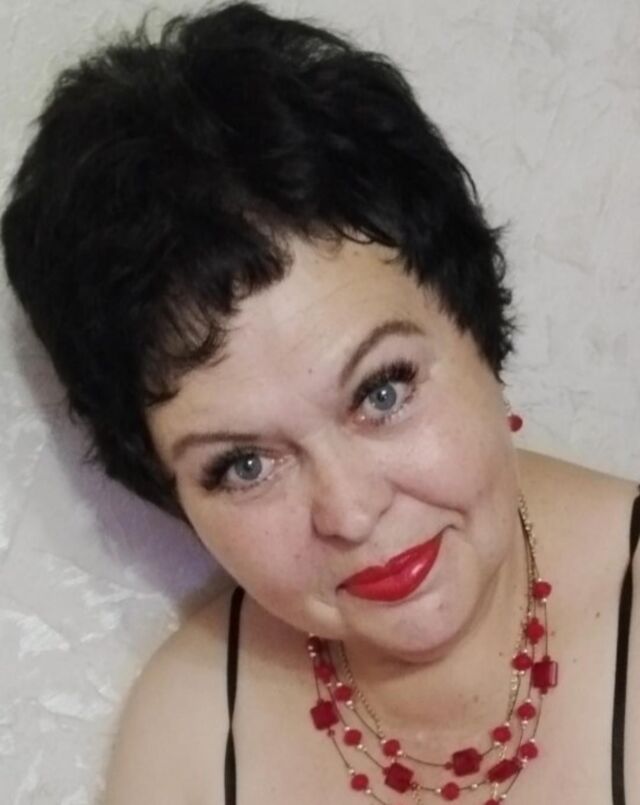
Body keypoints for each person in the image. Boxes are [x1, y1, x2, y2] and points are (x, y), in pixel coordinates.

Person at [1, 2, 638, 803]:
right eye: (244, 464)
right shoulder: (188, 747)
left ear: (476, 330)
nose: (351, 511)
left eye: (381, 391)